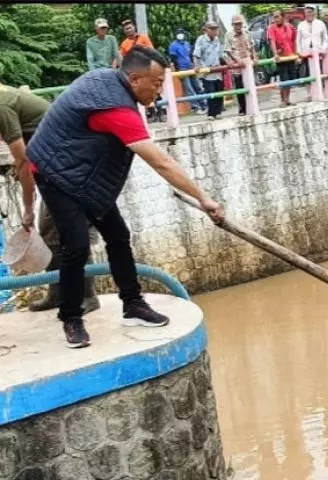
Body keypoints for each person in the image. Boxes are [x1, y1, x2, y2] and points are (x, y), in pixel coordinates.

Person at [25, 46, 225, 348]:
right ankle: (72, 319)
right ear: (134, 79)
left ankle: (133, 305)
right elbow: (161, 162)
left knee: (118, 235)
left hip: (83, 172)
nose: (160, 90)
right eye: (156, 83)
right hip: (55, 173)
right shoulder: (115, 108)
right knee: (76, 246)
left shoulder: (108, 82)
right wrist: (205, 199)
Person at [0, 85, 100, 314]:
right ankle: (58, 292)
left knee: (74, 232)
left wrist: (27, 208)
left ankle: (88, 296)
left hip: (73, 165)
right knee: (50, 233)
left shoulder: (1, 105)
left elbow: (23, 161)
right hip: (55, 166)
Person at [168, 27, 206, 114]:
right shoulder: (173, 45)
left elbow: (190, 55)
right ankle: (195, 108)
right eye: (178, 33)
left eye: (181, 33)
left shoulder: (187, 43)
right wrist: (178, 72)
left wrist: (194, 65)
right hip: (182, 68)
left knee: (197, 87)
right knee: (189, 89)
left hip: (190, 66)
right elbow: (174, 58)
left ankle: (203, 105)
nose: (180, 35)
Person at [225, 14, 256, 116]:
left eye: (239, 24)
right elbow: (228, 51)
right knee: (240, 88)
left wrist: (254, 57)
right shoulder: (228, 35)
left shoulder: (247, 33)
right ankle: (242, 109)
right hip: (237, 66)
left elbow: (252, 46)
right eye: (236, 24)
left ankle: (252, 107)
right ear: (233, 25)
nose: (238, 26)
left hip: (247, 64)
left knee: (250, 86)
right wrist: (237, 60)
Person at [194, 21, 225, 120]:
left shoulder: (217, 39)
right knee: (210, 92)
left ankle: (218, 112)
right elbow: (196, 54)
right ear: (206, 30)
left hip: (217, 69)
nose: (214, 31)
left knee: (219, 91)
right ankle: (211, 114)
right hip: (207, 70)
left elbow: (221, 54)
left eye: (215, 29)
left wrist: (228, 63)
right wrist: (197, 66)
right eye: (212, 29)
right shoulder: (201, 40)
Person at [267, 9, 297, 107]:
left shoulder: (290, 27)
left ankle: (287, 99)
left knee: (290, 79)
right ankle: (283, 100)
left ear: (283, 17)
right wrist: (275, 53)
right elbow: (272, 41)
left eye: (277, 16)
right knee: (284, 79)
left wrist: (296, 53)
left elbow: (294, 40)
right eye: (274, 17)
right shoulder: (272, 28)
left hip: (290, 56)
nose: (275, 19)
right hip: (281, 57)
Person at [297, 4, 328, 77]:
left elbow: (325, 39)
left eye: (310, 12)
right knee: (308, 76)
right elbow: (298, 40)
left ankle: (321, 88)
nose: (309, 14)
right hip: (306, 54)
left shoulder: (320, 24)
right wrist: (300, 53)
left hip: (318, 53)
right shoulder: (301, 25)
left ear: (314, 13)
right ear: (304, 13)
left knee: (319, 74)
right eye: (307, 12)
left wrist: (323, 50)